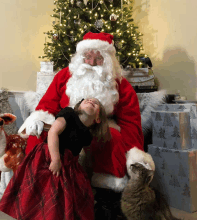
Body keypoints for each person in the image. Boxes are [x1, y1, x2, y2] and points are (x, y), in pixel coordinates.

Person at [18, 32, 154, 219]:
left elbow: (130, 122)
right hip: (67, 123)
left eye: (98, 58)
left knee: (112, 139)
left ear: (107, 61)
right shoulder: (64, 76)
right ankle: (37, 192)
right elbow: (47, 104)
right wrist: (38, 119)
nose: (91, 63)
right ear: (80, 57)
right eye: (87, 57)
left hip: (101, 126)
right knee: (38, 134)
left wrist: (133, 151)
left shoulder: (119, 84)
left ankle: (107, 199)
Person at [0, 98, 109, 220]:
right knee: (41, 192)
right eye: (87, 99)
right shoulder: (69, 113)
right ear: (78, 106)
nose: (91, 100)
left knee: (69, 195)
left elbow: (81, 154)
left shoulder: (87, 136)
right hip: (48, 156)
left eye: (96, 102)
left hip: (69, 164)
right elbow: (53, 132)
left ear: (98, 119)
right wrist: (56, 159)